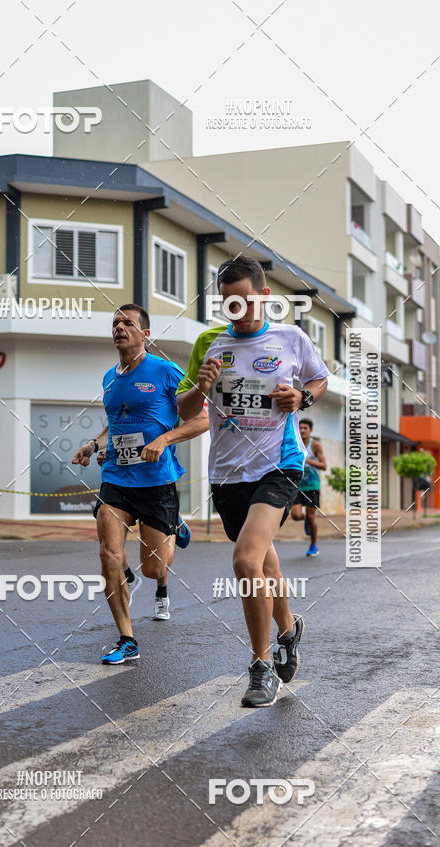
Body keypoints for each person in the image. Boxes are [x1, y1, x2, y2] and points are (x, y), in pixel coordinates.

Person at [176, 255, 329, 707]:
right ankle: (289, 630)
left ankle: (261, 668)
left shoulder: (291, 338)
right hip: (227, 474)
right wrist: (201, 386)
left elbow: (320, 379)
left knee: (246, 561)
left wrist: (301, 397)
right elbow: (185, 410)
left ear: (264, 296)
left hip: (279, 465)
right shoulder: (209, 342)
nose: (237, 310)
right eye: (228, 303)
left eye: (244, 301)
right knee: (266, 565)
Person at [73, 304, 208, 664]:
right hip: (116, 477)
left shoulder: (165, 371)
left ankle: (173, 525)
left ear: (145, 334)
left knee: (153, 569)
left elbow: (202, 419)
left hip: (156, 481)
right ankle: (127, 639)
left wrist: (164, 439)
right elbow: (115, 424)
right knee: (109, 554)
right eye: (115, 322)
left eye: (127, 323)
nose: (119, 327)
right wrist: (94, 445)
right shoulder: (109, 377)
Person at [290, 419, 327, 556]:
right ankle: (305, 520)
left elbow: (324, 465)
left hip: (312, 486)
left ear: (310, 430)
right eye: (300, 428)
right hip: (297, 485)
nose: (302, 430)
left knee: (312, 517)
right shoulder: (294, 444)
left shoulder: (315, 445)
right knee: (296, 515)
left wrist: (306, 460)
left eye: (305, 428)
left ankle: (313, 545)